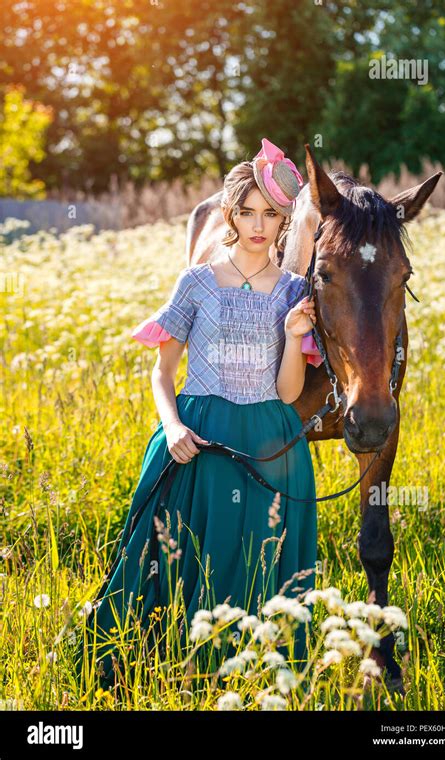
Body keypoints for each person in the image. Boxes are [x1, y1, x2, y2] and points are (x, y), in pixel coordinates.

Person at [77, 138, 324, 688]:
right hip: (198, 437)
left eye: (270, 213)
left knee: (258, 561)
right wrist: (171, 426)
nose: (259, 225)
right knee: (179, 558)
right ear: (230, 214)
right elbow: (161, 373)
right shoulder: (196, 283)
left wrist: (291, 337)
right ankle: (168, 668)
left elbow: (287, 394)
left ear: (284, 218)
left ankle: (255, 677)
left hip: (268, 443)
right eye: (247, 212)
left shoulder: (292, 292)